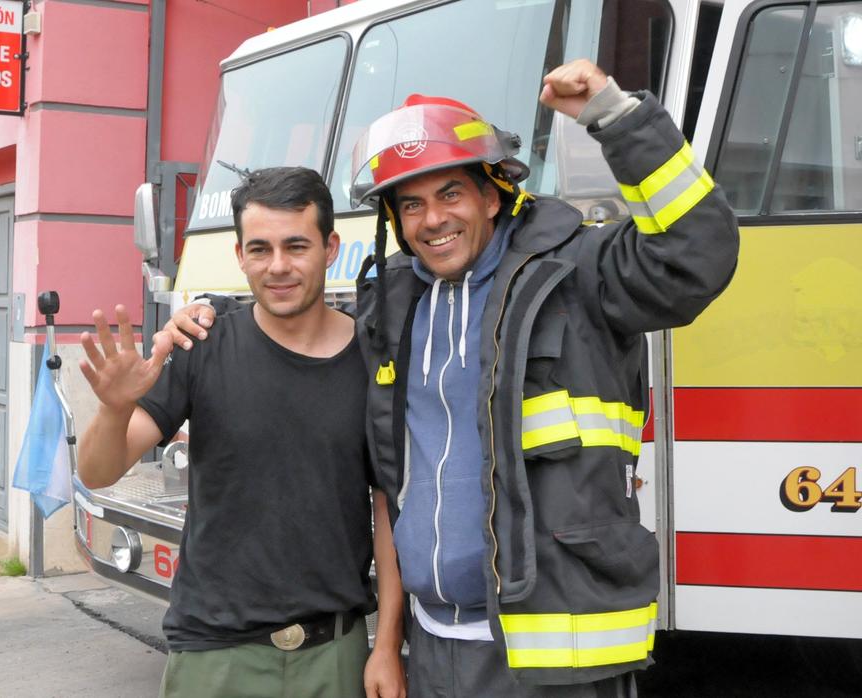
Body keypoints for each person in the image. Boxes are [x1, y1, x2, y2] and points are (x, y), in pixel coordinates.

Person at [165, 60, 739, 696]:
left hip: (555, 653)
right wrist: (212, 316)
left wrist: (618, 118)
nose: (432, 219)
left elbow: (695, 256)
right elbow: (300, 320)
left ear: (492, 196)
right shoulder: (394, 306)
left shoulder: (578, 275)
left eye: (450, 195)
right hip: (434, 647)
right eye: (411, 204)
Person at [76, 167, 406, 698]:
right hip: (214, 658)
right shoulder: (199, 345)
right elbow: (97, 470)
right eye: (260, 249)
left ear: (331, 246)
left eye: (296, 246)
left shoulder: (374, 362)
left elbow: (388, 507)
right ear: (239, 256)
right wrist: (114, 410)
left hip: (335, 655)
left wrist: (386, 643)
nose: (278, 267)